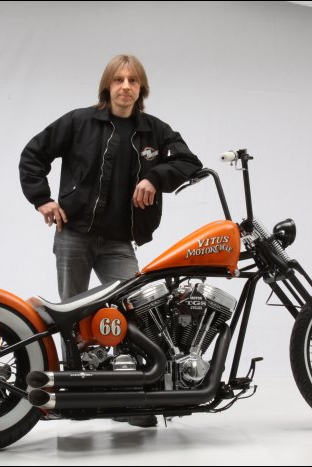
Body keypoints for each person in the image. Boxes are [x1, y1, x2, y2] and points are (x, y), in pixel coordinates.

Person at [19, 55, 202, 427]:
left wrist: (155, 177)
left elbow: (189, 162)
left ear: (141, 88)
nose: (125, 87)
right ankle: (72, 394)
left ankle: (129, 400)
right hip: (74, 235)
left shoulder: (154, 131)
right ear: (107, 86)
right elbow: (33, 154)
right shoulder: (79, 122)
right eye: (118, 80)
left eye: (132, 81)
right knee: (71, 317)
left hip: (119, 241)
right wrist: (42, 200)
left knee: (134, 314)